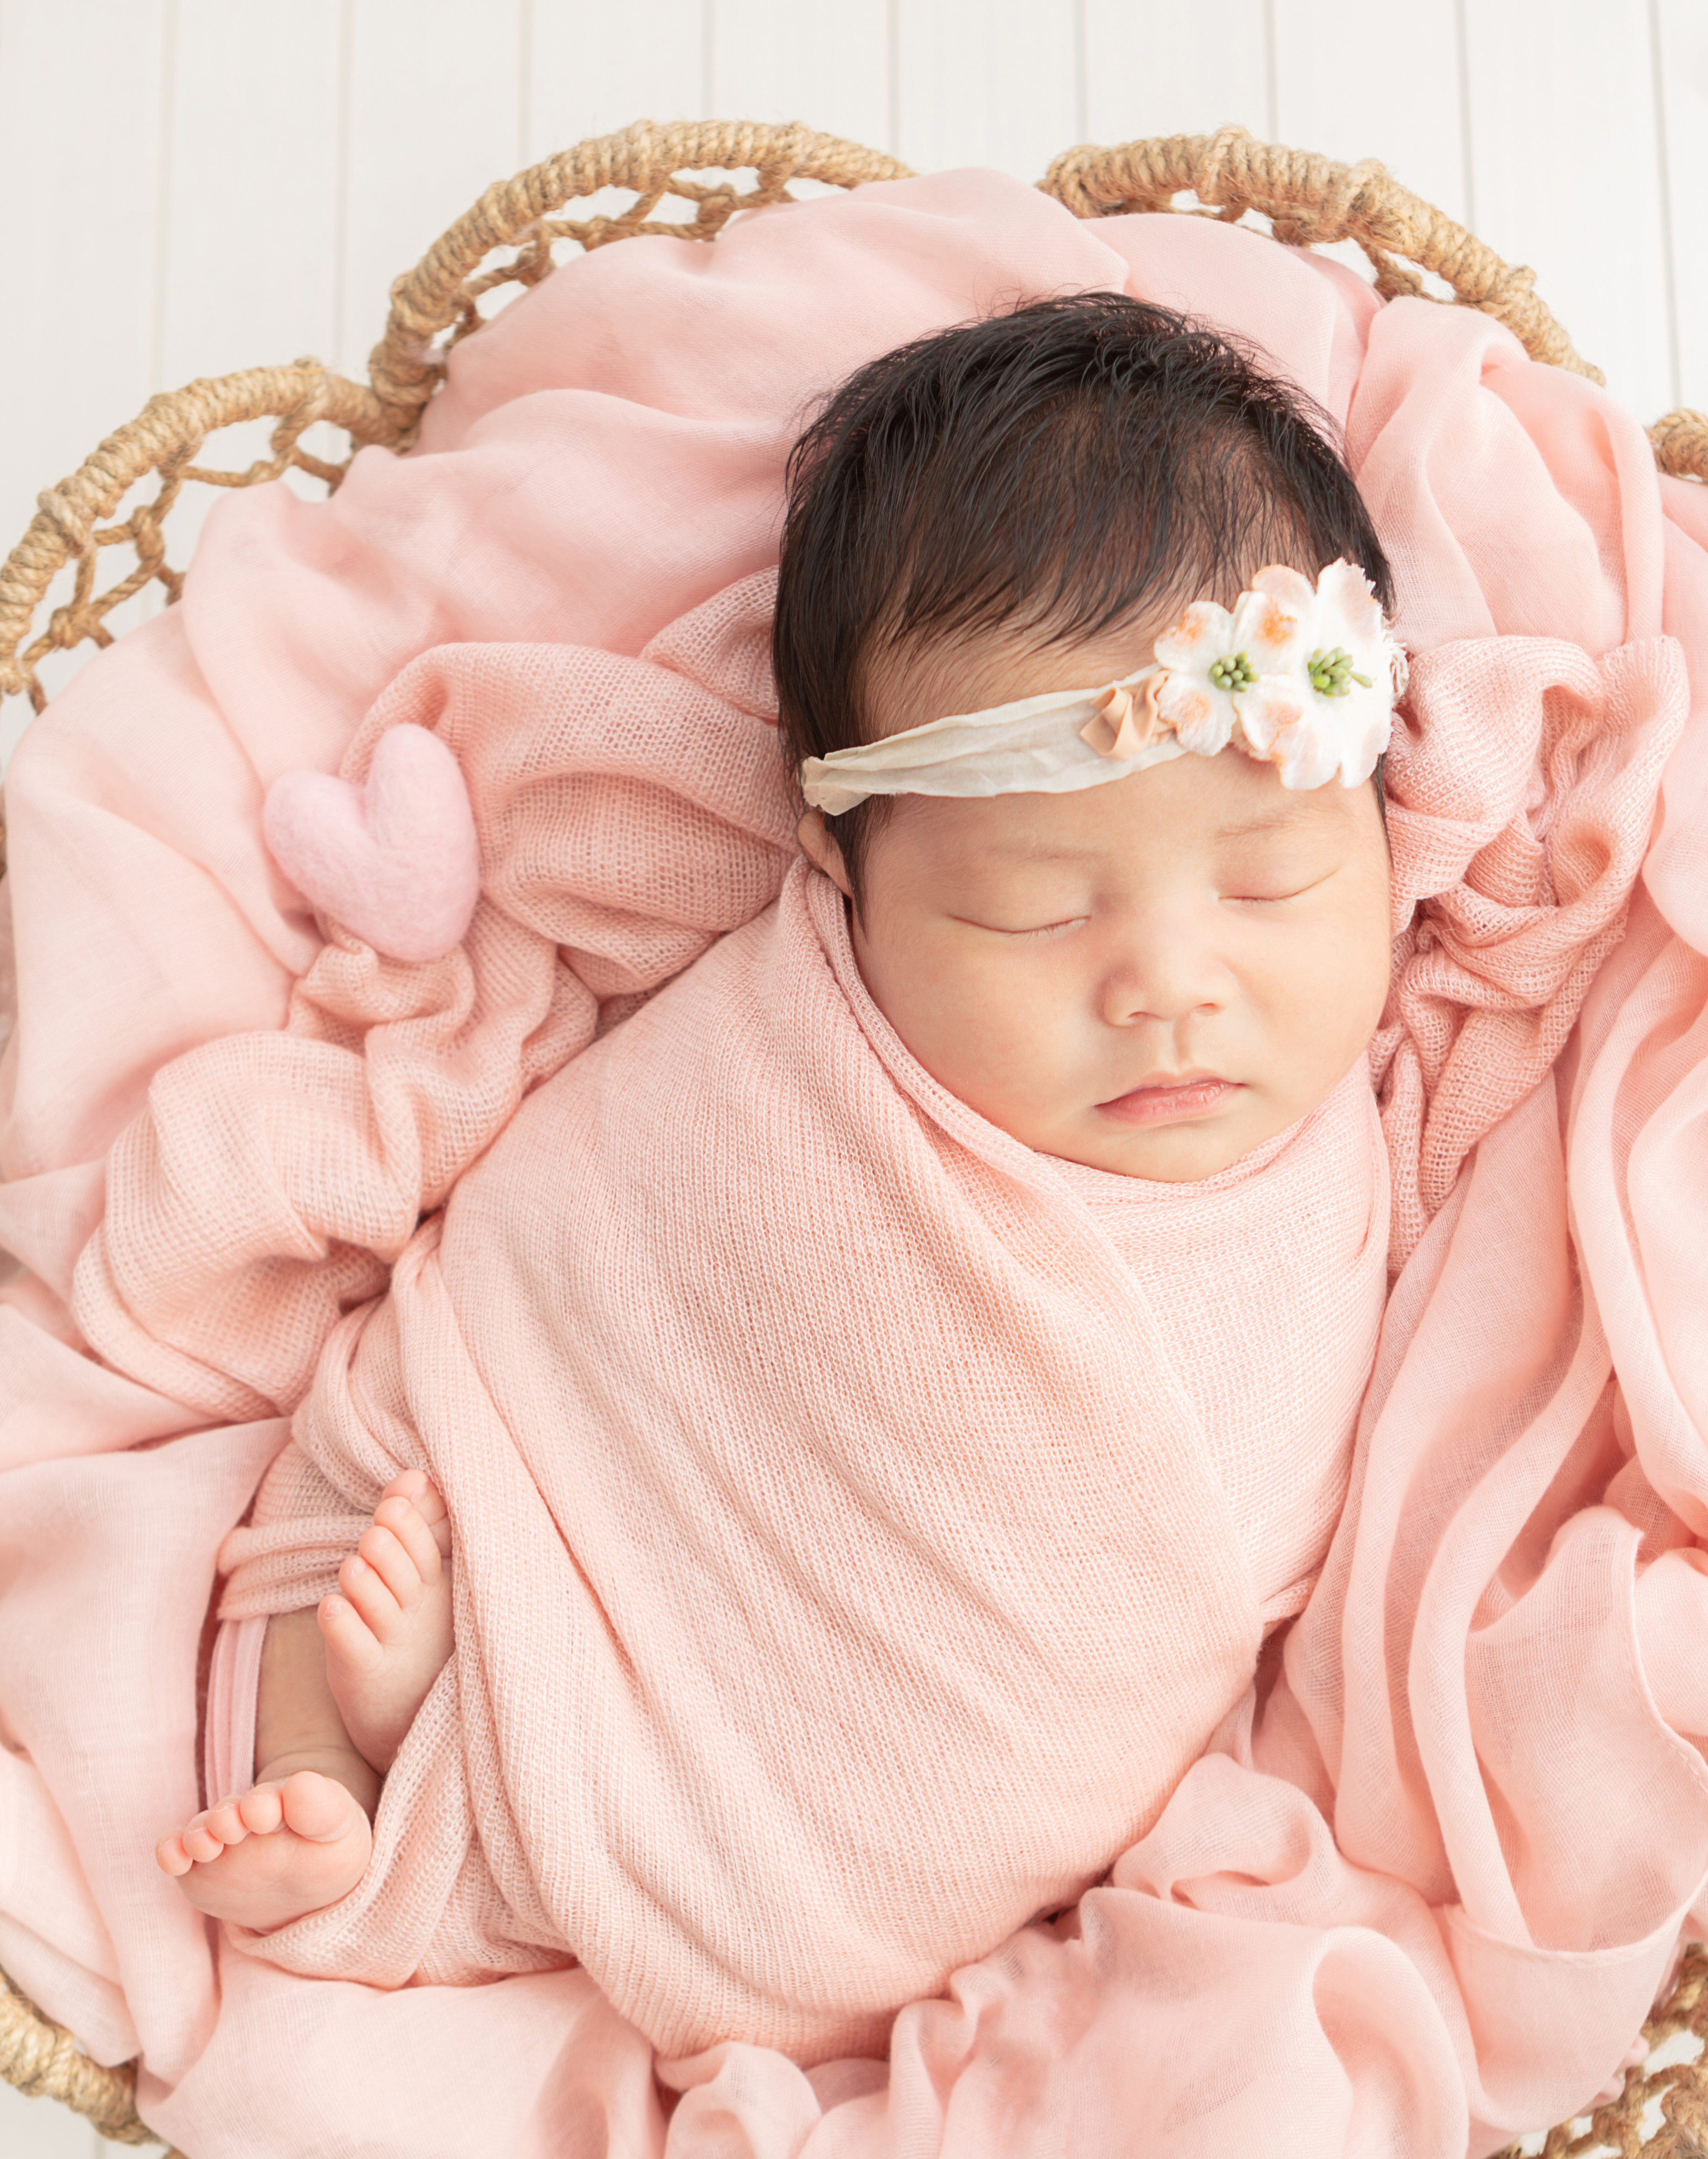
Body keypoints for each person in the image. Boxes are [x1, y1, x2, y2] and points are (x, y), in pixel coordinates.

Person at [149, 293, 1407, 2004]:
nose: (1172, 990)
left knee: (431, 1551)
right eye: (1032, 910)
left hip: (912, 1747)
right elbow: (578, 839)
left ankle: (437, 1789)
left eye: (1271, 886)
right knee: (385, 1448)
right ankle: (331, 1746)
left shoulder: (1395, 1055)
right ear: (848, 872)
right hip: (599, 1427)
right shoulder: (792, 1004)